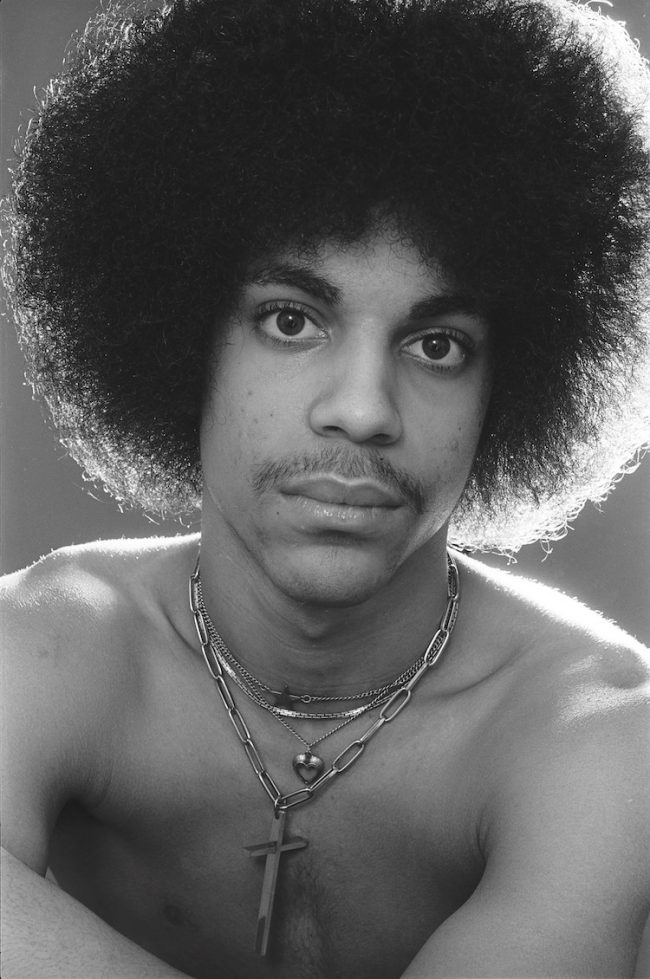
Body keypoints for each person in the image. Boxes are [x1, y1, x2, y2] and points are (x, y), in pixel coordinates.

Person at [2, 0, 650, 976]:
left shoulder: (600, 732)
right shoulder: (43, 651)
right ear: (182, 342)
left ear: (508, 387)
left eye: (437, 344)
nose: (362, 408)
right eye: (291, 320)